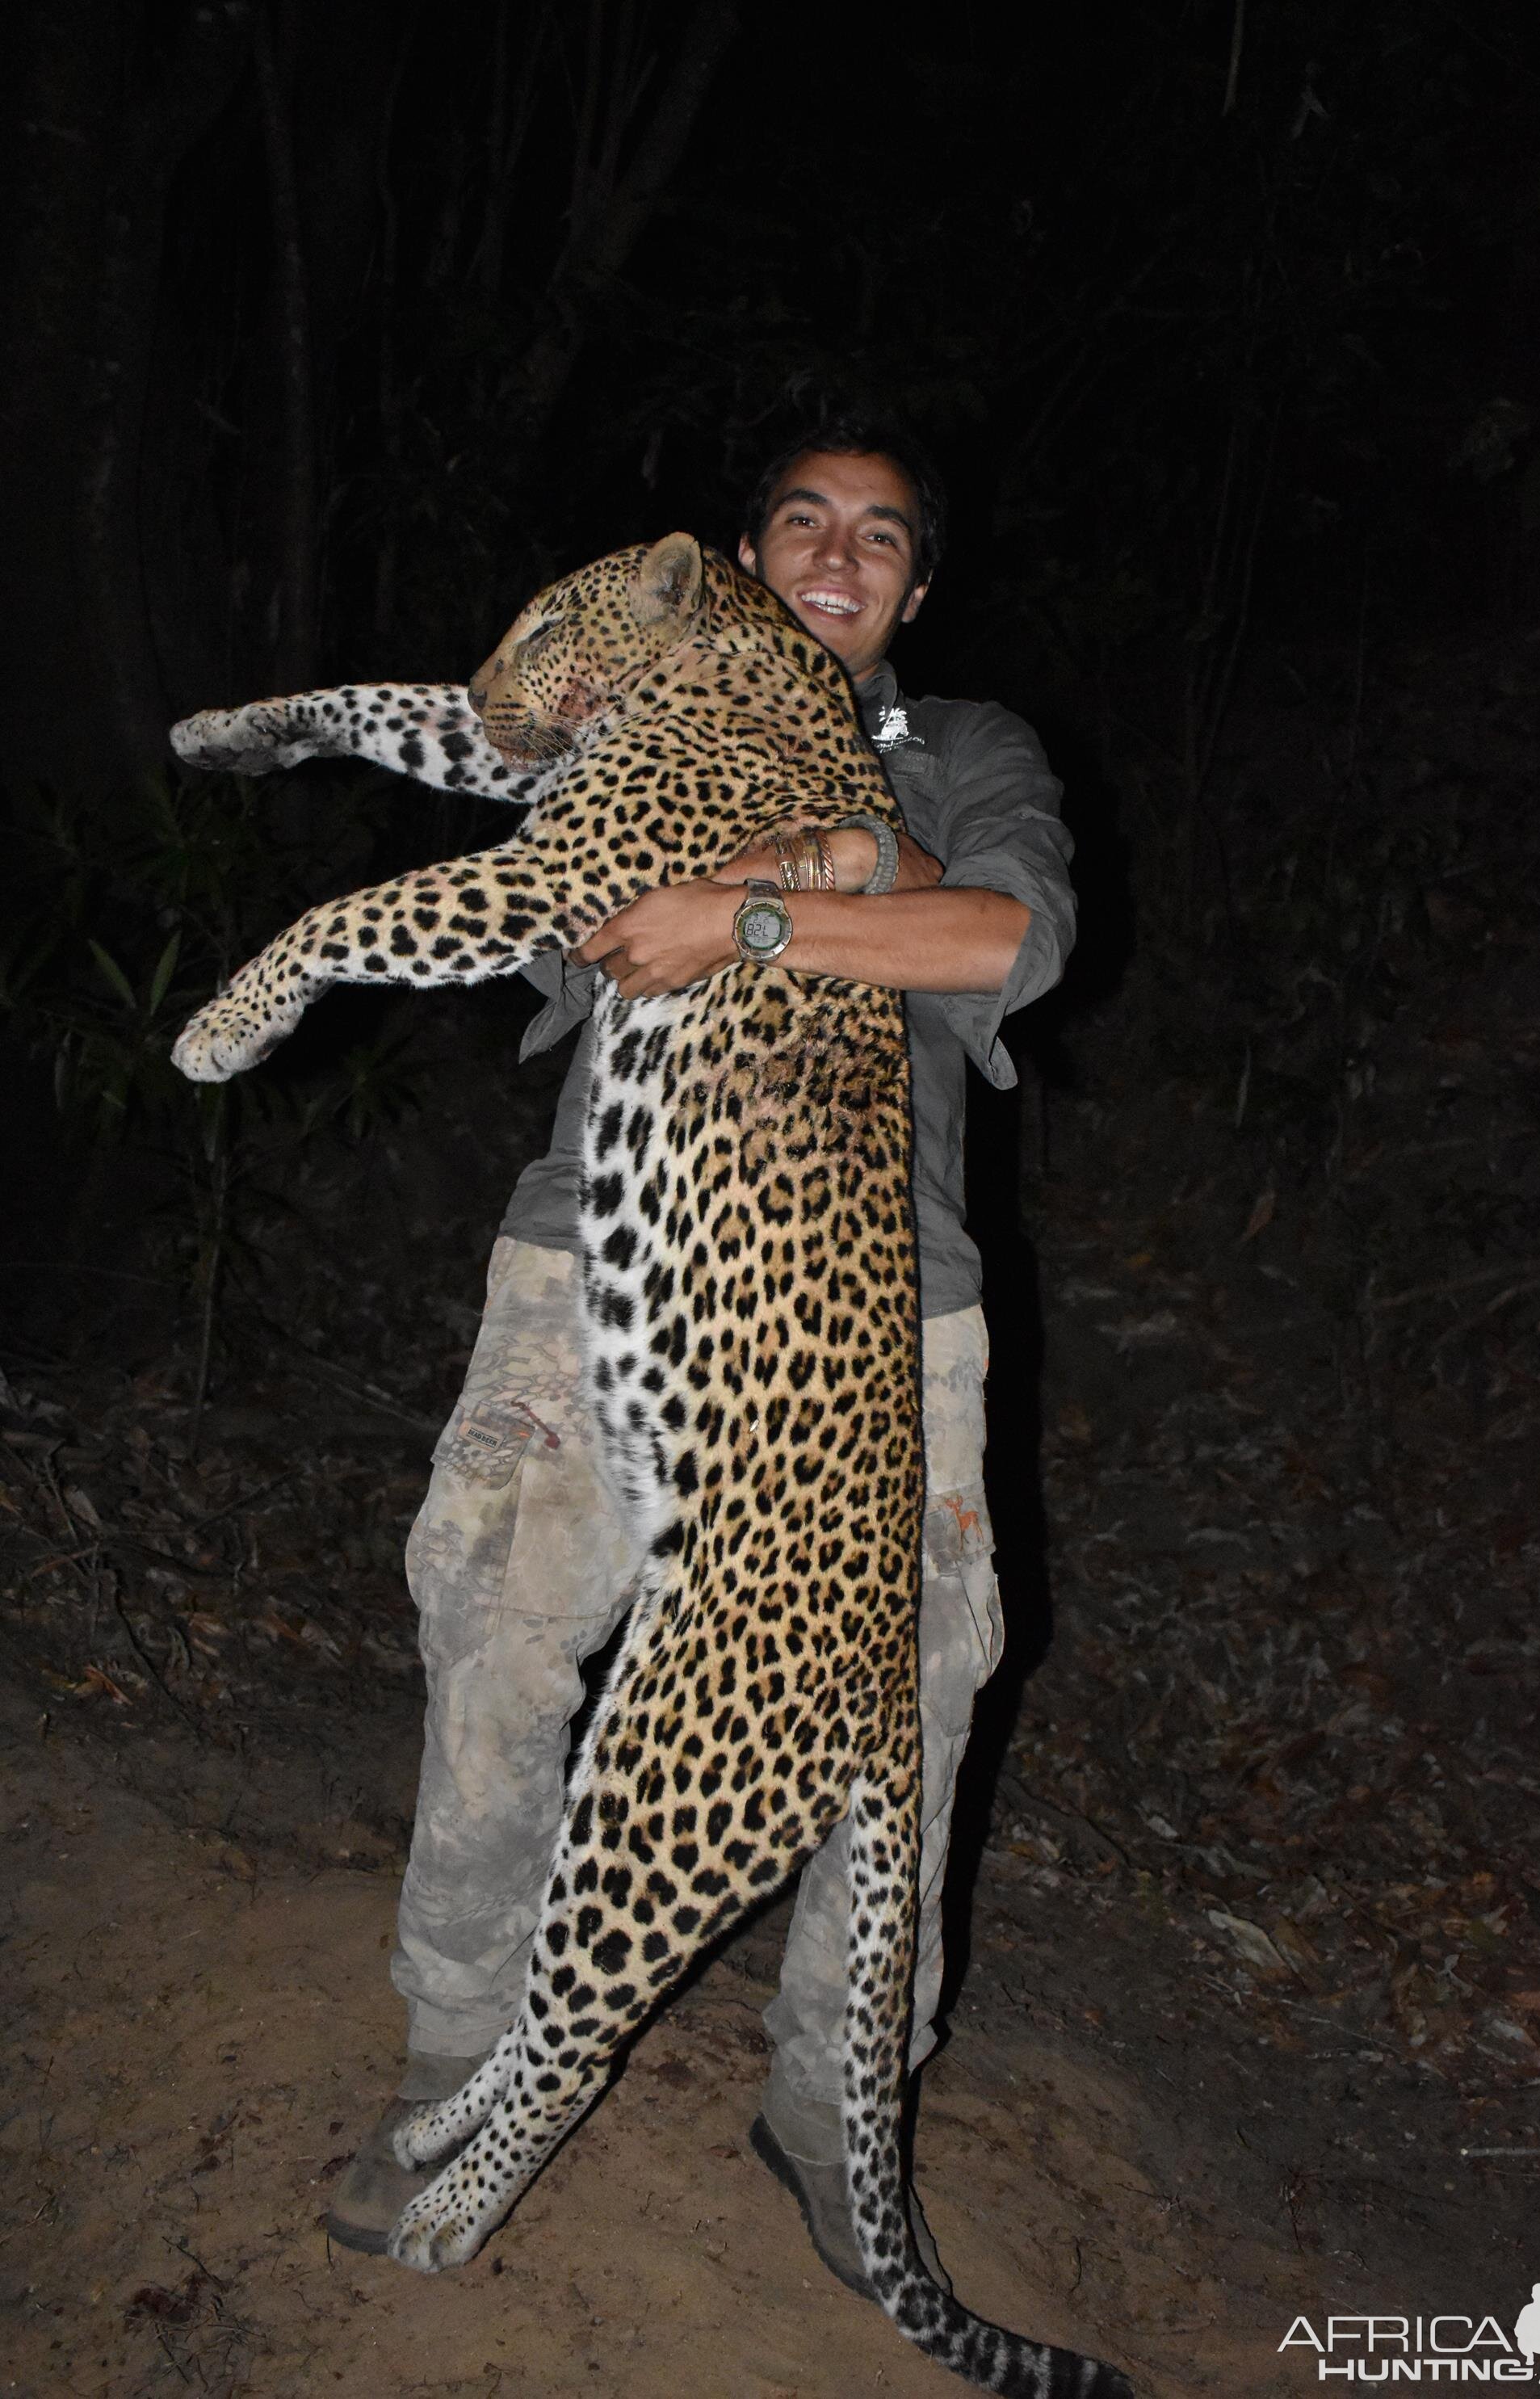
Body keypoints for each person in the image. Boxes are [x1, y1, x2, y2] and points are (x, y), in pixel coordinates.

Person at [327, 418, 1079, 2296]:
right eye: (803, 524)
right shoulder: (637, 700)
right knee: (500, 1626)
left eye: (883, 540)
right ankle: (454, 2038)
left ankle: (834, 2122)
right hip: (604, 1240)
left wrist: (771, 895)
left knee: (901, 1722)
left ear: (918, 584)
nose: (840, 557)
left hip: (887, 1309)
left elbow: (1004, 936)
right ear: (740, 557)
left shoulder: (972, 754)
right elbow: (533, 865)